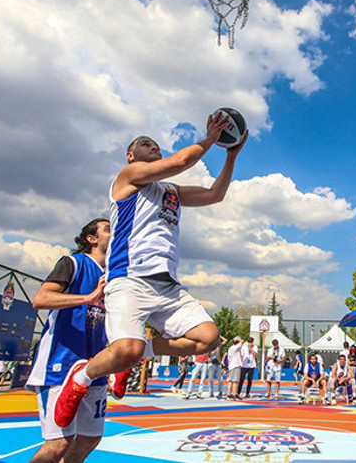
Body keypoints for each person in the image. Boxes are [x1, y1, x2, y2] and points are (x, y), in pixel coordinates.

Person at [54, 114, 246, 427]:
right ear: (131, 155)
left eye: (156, 145)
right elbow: (182, 159)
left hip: (167, 286)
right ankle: (83, 375)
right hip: (130, 278)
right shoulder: (129, 177)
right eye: (146, 144)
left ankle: (139, 354)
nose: (153, 146)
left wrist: (231, 156)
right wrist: (212, 137)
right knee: (125, 350)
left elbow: (215, 195)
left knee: (207, 338)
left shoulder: (170, 191)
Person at [26, 218, 110, 463]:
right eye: (108, 229)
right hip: (60, 365)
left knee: (89, 438)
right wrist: (89, 297)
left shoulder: (114, 276)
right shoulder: (73, 263)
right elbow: (41, 299)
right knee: (59, 443)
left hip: (95, 368)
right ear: (91, 239)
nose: (114, 232)